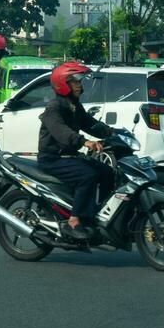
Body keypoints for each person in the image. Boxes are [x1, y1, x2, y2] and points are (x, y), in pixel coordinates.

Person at [37, 61, 116, 240]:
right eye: (75, 82)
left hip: (69, 157)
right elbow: (62, 133)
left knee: (107, 171)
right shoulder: (54, 108)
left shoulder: (74, 106)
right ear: (63, 85)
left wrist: (113, 132)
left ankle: (98, 214)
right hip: (52, 159)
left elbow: (90, 124)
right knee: (87, 176)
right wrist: (85, 142)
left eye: (79, 82)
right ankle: (75, 220)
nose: (80, 85)